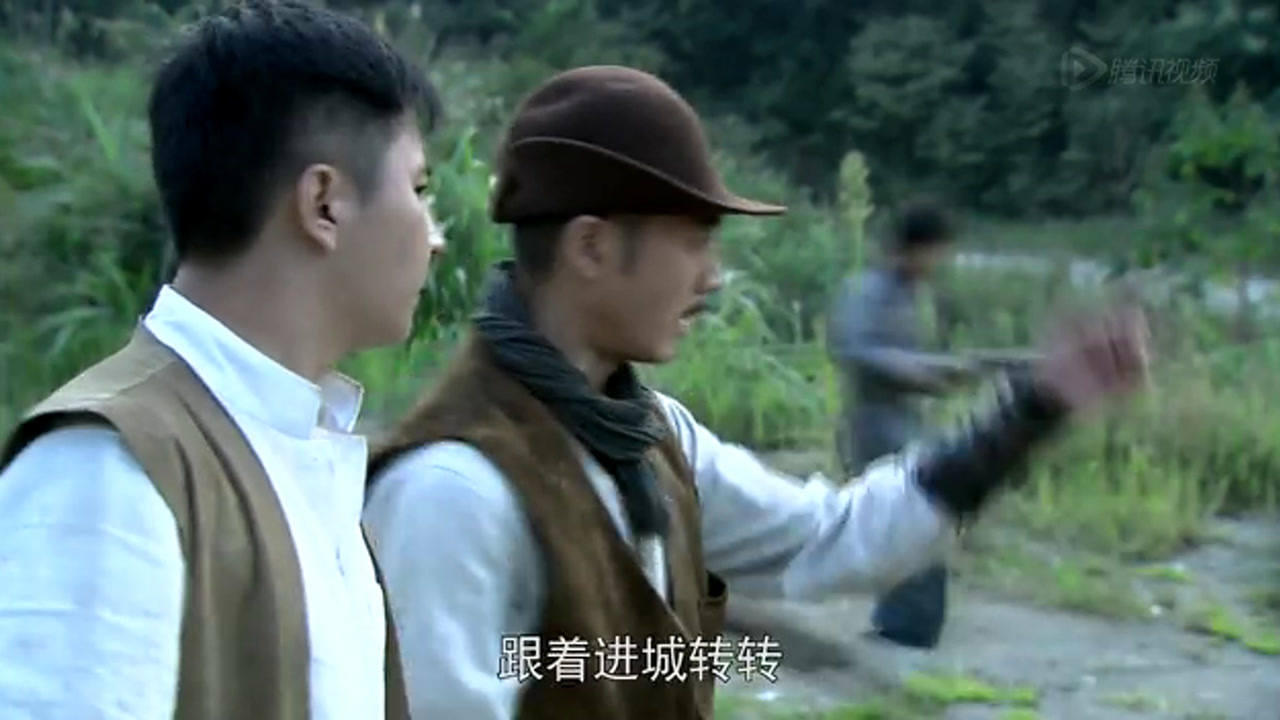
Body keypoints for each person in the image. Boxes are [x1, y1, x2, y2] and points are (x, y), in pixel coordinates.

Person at [362, 65, 1150, 720]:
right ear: (592, 247)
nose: (712, 278)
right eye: (694, 242)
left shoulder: (655, 438)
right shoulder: (452, 493)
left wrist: (1030, 412)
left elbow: (831, 538)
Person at [0, 2, 444, 718]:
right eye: (419, 191)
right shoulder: (106, 466)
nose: (435, 237)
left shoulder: (308, 453)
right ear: (324, 203)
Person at [825, 200, 979, 649]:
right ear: (916, 248)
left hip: (905, 424)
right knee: (911, 520)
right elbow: (855, 351)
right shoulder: (867, 291)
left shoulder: (908, 294)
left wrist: (939, 373)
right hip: (876, 427)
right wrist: (920, 372)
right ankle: (906, 627)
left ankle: (908, 624)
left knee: (916, 522)